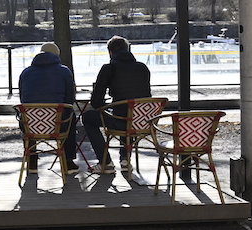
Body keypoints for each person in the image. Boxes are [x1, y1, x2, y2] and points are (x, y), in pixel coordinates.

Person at [80, 35, 152, 174]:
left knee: (89, 117)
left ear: (110, 53)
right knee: (129, 111)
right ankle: (125, 159)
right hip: (142, 121)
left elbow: (95, 102)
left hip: (122, 120)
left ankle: (105, 161)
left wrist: (103, 105)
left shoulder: (109, 68)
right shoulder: (143, 68)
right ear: (128, 50)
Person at [17, 41, 80, 174]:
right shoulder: (64, 71)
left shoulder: (26, 73)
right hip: (56, 124)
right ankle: (68, 161)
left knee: (27, 114)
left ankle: (32, 162)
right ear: (57, 56)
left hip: (31, 124)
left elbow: (23, 98)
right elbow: (70, 100)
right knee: (70, 115)